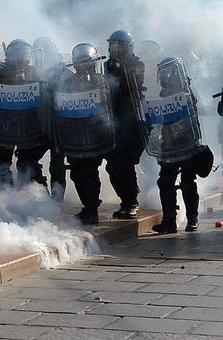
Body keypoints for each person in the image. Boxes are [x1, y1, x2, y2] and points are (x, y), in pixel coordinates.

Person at [0, 38, 49, 189]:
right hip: (4, 128)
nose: (20, 61)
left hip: (28, 128)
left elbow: (47, 91)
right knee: (2, 166)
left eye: (24, 57)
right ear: (8, 56)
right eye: (17, 56)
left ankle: (29, 199)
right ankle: (7, 198)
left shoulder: (34, 72)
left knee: (27, 166)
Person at [54, 43, 115, 225]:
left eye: (86, 62)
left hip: (96, 135)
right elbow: (59, 103)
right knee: (78, 174)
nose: (83, 66)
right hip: (75, 136)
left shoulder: (101, 81)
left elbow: (106, 104)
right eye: (79, 63)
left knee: (90, 172)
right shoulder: (68, 82)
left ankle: (92, 209)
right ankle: (89, 208)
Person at [148, 57, 206, 233]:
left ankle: (192, 219)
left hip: (187, 144)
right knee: (165, 182)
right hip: (169, 145)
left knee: (188, 181)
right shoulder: (164, 94)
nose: (164, 76)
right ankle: (169, 221)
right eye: (162, 73)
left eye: (167, 72)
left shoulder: (187, 92)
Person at [104, 30, 146, 219]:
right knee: (112, 165)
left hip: (132, 121)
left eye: (118, 45)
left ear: (127, 46)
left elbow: (131, 85)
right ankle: (125, 199)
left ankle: (132, 202)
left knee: (125, 162)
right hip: (112, 121)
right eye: (112, 45)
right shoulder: (108, 65)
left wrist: (119, 69)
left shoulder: (136, 64)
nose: (115, 48)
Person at [33, 36, 69, 201]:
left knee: (57, 166)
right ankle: (42, 191)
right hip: (39, 126)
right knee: (28, 160)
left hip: (59, 127)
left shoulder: (65, 73)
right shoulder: (31, 72)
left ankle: (56, 201)